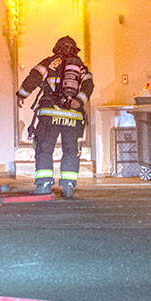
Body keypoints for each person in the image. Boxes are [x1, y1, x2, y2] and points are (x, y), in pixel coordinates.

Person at [17, 36, 93, 198]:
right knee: (71, 150)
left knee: (44, 148)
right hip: (73, 116)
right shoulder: (81, 67)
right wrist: (78, 102)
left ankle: (44, 185)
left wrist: (21, 94)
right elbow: (88, 86)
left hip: (50, 114)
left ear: (57, 48)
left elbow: (34, 77)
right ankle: (68, 185)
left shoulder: (50, 62)